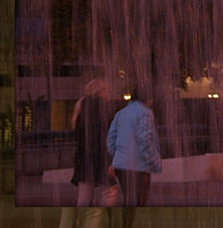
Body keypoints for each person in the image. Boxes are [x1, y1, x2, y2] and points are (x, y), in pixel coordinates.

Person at [59, 79, 118, 228]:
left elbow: (81, 136)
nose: (109, 94)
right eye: (107, 90)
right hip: (100, 159)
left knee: (84, 197)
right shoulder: (103, 107)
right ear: (100, 91)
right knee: (109, 193)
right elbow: (104, 138)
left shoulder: (81, 106)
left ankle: (69, 224)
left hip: (83, 159)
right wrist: (111, 162)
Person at [107, 86, 162, 227]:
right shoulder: (145, 113)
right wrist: (152, 162)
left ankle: (122, 224)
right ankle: (126, 225)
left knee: (129, 198)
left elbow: (110, 140)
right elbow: (145, 139)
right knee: (139, 200)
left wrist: (119, 156)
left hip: (121, 165)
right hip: (138, 166)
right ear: (148, 99)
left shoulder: (121, 113)